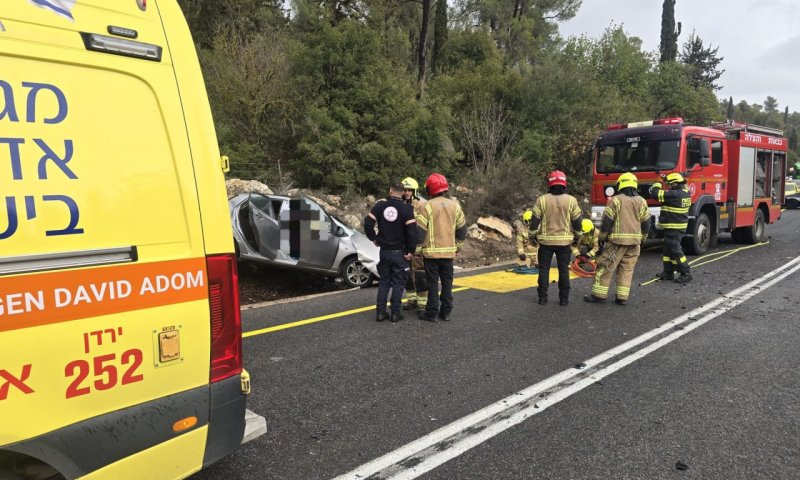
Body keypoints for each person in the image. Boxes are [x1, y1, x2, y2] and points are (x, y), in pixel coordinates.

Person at [585, 173, 651, 305]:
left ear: (620, 185)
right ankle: (622, 297)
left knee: (605, 267)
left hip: (616, 243)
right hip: (635, 244)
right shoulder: (642, 201)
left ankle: (599, 295)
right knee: (626, 269)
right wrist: (643, 237)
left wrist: (602, 237)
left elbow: (607, 221)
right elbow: (647, 222)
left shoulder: (616, 200)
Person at [416, 173, 467, 322]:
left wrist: (417, 250)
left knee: (432, 285)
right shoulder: (455, 206)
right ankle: (446, 312)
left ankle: (432, 313)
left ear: (430, 189)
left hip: (431, 256)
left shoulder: (427, 206)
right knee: (447, 284)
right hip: (448, 255)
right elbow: (462, 228)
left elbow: (420, 232)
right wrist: (458, 246)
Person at [364, 183, 418, 322]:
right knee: (399, 283)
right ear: (402, 193)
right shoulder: (407, 209)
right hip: (400, 252)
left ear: (390, 191)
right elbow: (412, 232)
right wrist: (411, 251)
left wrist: (374, 238)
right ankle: (395, 314)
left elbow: (368, 224)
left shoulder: (380, 206)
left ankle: (380, 313)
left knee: (384, 282)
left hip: (384, 251)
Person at [528, 170, 583, 306]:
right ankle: (564, 299)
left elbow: (534, 221)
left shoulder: (542, 200)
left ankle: (542, 298)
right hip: (564, 243)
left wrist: (532, 235)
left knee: (544, 269)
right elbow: (577, 222)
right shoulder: (571, 201)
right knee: (563, 269)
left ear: (549, 183)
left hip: (545, 242)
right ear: (564, 183)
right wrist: (578, 236)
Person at [649, 172, 692, 284]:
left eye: (669, 184)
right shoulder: (685, 191)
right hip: (674, 225)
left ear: (675, 184)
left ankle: (686, 272)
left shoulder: (675, 194)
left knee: (675, 249)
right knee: (667, 249)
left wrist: (658, 182)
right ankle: (668, 272)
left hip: (674, 226)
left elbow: (654, 194)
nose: (668, 186)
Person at [400, 177, 428, 315]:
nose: (406, 192)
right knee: (406, 274)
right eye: (404, 190)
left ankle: (423, 304)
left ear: (414, 190)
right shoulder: (400, 204)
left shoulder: (421, 205)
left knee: (419, 275)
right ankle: (411, 300)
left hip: (417, 246)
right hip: (404, 246)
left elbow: (424, 227)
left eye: (409, 190)